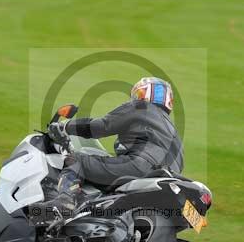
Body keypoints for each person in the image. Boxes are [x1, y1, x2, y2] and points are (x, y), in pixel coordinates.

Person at [39, 77, 183, 221]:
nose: (137, 99)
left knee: (77, 160)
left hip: (138, 167)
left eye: (139, 94)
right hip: (168, 179)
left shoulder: (140, 107)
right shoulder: (174, 131)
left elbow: (101, 126)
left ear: (144, 95)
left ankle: (64, 203)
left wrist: (65, 126)